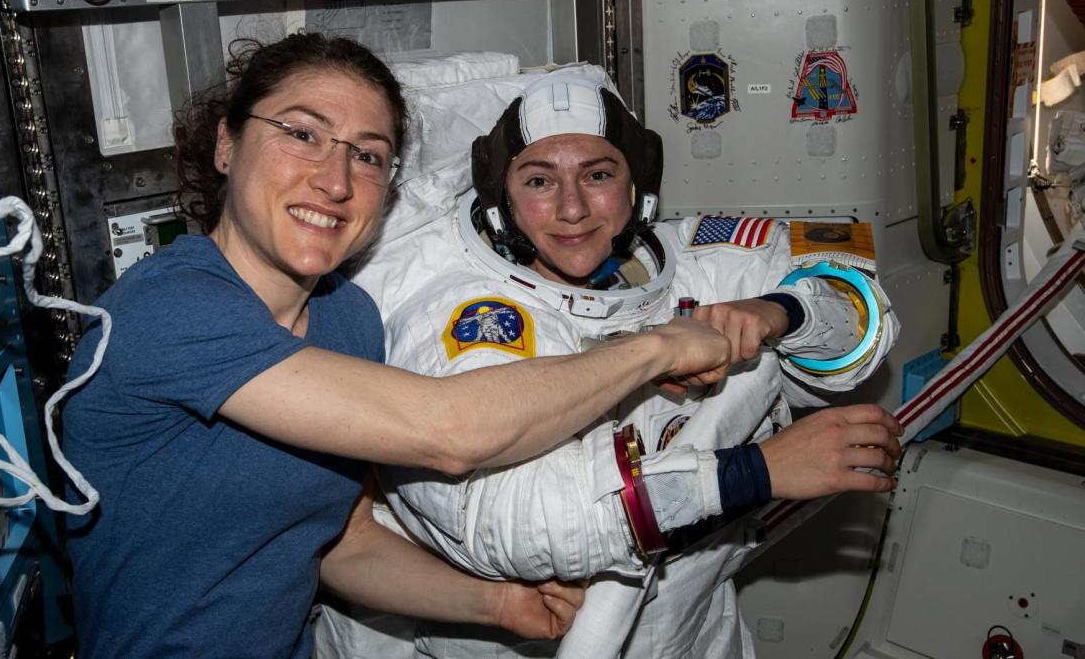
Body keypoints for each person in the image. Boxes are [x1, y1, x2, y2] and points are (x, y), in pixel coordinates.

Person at [59, 35, 735, 659]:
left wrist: (499, 603)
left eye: (368, 154)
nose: (335, 179)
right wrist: (656, 346)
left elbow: (340, 544)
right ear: (226, 144)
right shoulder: (169, 309)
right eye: (302, 134)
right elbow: (447, 429)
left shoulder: (347, 320)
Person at [315, 69, 903, 659]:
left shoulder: (703, 263)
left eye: (598, 175)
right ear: (502, 199)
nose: (572, 209)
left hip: (695, 636)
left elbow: (863, 309)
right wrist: (757, 471)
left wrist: (782, 310)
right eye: (540, 180)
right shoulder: (469, 316)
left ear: (638, 182)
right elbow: (521, 526)